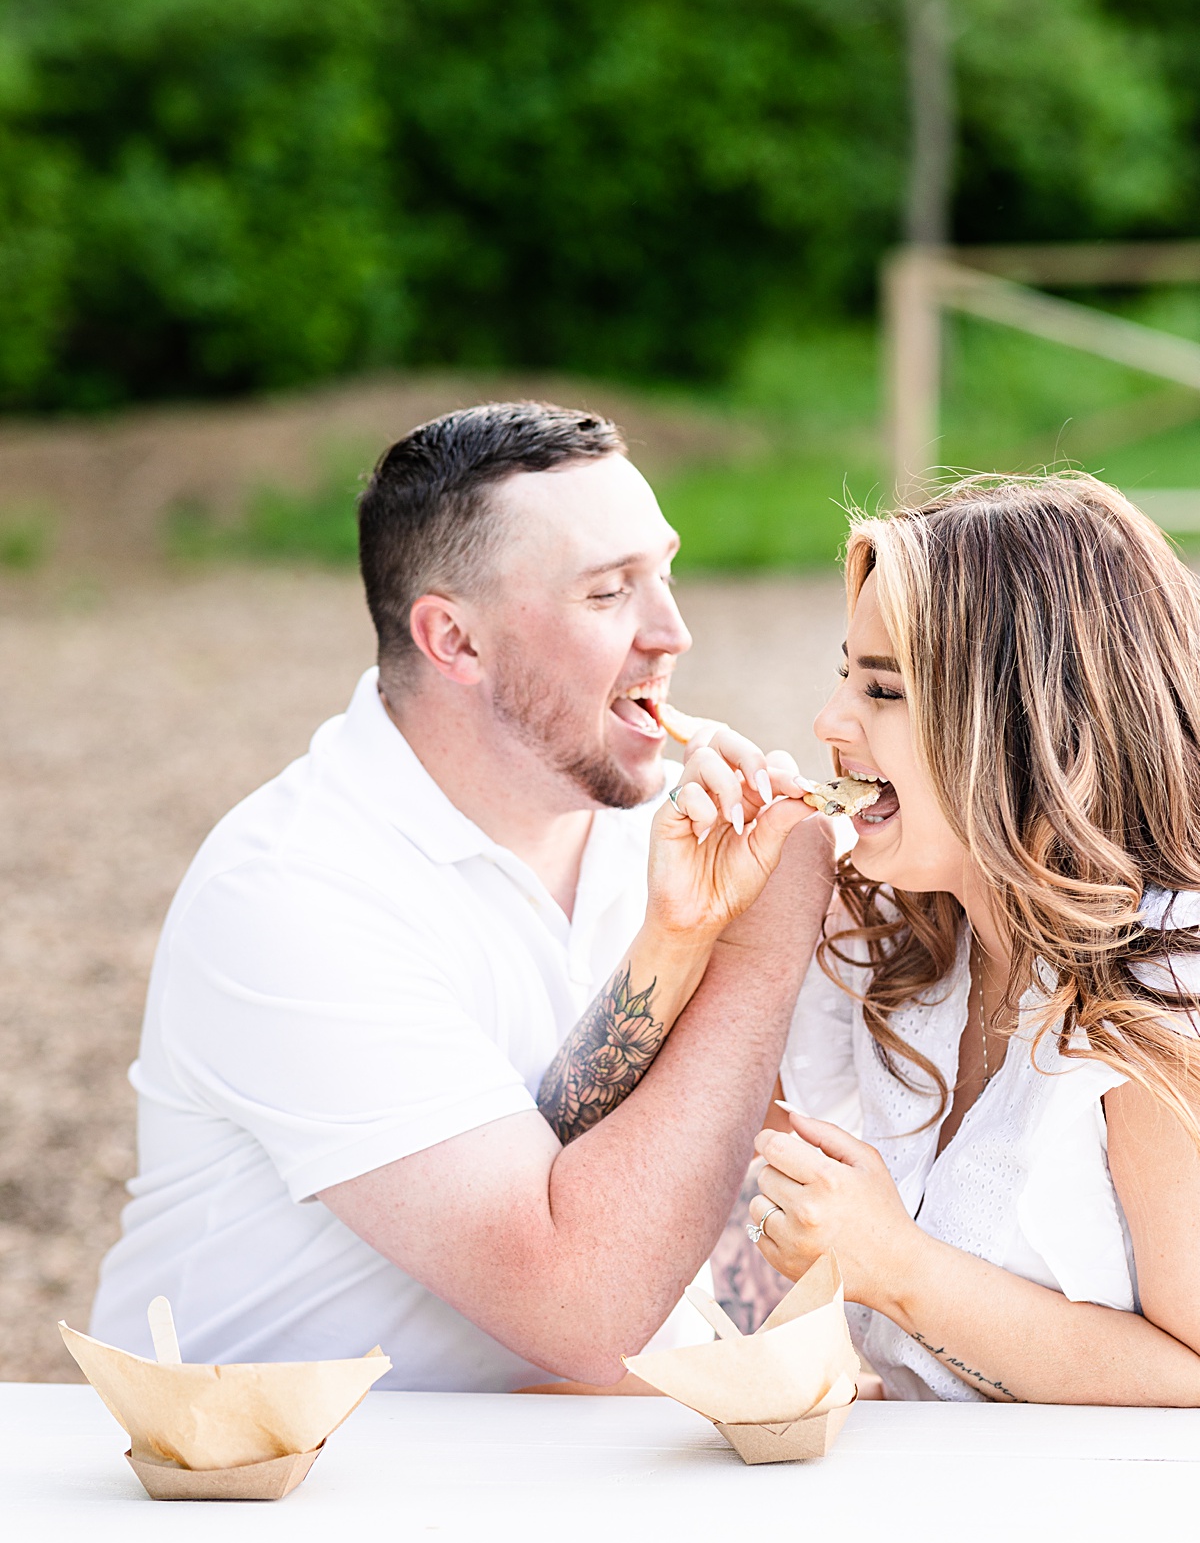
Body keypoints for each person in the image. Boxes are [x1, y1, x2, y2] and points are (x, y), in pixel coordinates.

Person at [90, 401, 833, 1389]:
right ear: (457, 642)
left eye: (665, 570)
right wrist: (758, 947)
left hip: (561, 1477)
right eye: (611, 593)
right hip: (278, 1503)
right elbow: (580, 1305)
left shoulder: (650, 833)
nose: (674, 631)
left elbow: (713, 1163)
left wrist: (778, 1355)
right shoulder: (293, 895)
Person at [702, 473, 1200, 1403]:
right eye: (844, 674)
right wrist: (709, 929)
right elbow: (732, 1168)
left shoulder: (1166, 987)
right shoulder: (896, 924)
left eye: (884, 690)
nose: (828, 723)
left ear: (1029, 725)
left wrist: (897, 1268)